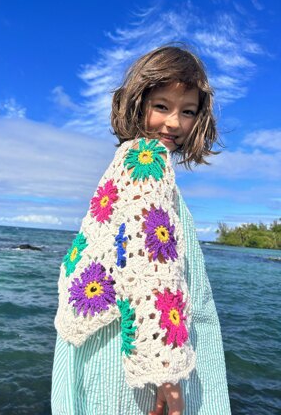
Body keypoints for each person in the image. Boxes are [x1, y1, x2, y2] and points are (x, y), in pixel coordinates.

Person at [51, 45, 231, 415]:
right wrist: (168, 375)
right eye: (161, 106)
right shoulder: (148, 163)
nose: (174, 123)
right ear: (137, 102)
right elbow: (153, 268)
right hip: (132, 361)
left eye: (188, 111)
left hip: (104, 342)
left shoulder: (123, 162)